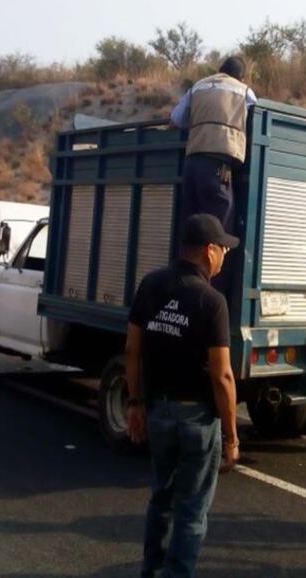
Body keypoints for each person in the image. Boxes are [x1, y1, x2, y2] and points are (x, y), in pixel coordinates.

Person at [124, 213, 242, 577]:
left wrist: (135, 403)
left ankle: (151, 569)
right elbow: (222, 375)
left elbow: (132, 350)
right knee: (191, 508)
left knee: (161, 498)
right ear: (208, 251)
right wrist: (232, 436)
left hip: (158, 411)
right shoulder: (212, 301)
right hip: (196, 419)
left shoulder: (151, 284)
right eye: (223, 248)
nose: (225, 255)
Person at [170, 56, 257, 239]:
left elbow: (176, 120)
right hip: (218, 164)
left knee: (191, 224)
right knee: (219, 225)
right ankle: (216, 267)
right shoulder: (244, 91)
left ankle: (187, 266)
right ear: (241, 77)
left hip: (191, 162)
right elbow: (257, 119)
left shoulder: (198, 87)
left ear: (220, 70)